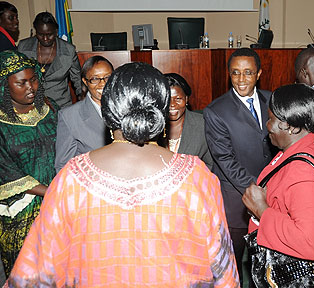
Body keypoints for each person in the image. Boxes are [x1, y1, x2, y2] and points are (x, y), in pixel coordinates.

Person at [8, 62, 239, 287]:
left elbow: (35, 271)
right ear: (161, 113)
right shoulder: (196, 176)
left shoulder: (72, 178)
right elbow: (222, 267)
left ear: (107, 113)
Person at [242, 84, 314, 267]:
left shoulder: (300, 171)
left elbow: (312, 243)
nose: (267, 125)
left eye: (270, 119)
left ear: (291, 127)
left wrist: (261, 209)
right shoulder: (304, 149)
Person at [203, 47, 275, 285]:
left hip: (273, 191)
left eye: (247, 73)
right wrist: (256, 187)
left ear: (259, 74)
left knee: (268, 255)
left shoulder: (273, 99)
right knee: (233, 257)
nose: (241, 79)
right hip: (236, 198)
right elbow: (224, 159)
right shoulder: (216, 110)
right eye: (235, 73)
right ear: (229, 75)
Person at [0, 50, 58, 278]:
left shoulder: (50, 108)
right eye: (21, 82)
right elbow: (5, 170)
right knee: (28, 274)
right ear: (5, 85)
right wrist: (53, 191)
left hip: (57, 207)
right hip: (20, 213)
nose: (30, 87)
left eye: (33, 79)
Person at [55, 56, 113, 172]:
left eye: (107, 78)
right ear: (85, 81)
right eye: (95, 79)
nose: (102, 84)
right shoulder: (70, 117)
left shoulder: (127, 108)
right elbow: (63, 167)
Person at [18, 11, 82, 107]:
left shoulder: (68, 50)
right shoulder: (24, 47)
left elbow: (77, 80)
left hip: (60, 104)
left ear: (56, 31)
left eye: (49, 34)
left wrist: (83, 98)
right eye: (40, 34)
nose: (45, 38)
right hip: (32, 104)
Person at [161, 73, 213, 169]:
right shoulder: (151, 127)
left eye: (178, 99)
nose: (172, 104)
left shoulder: (203, 125)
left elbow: (211, 165)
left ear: (186, 99)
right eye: (167, 99)